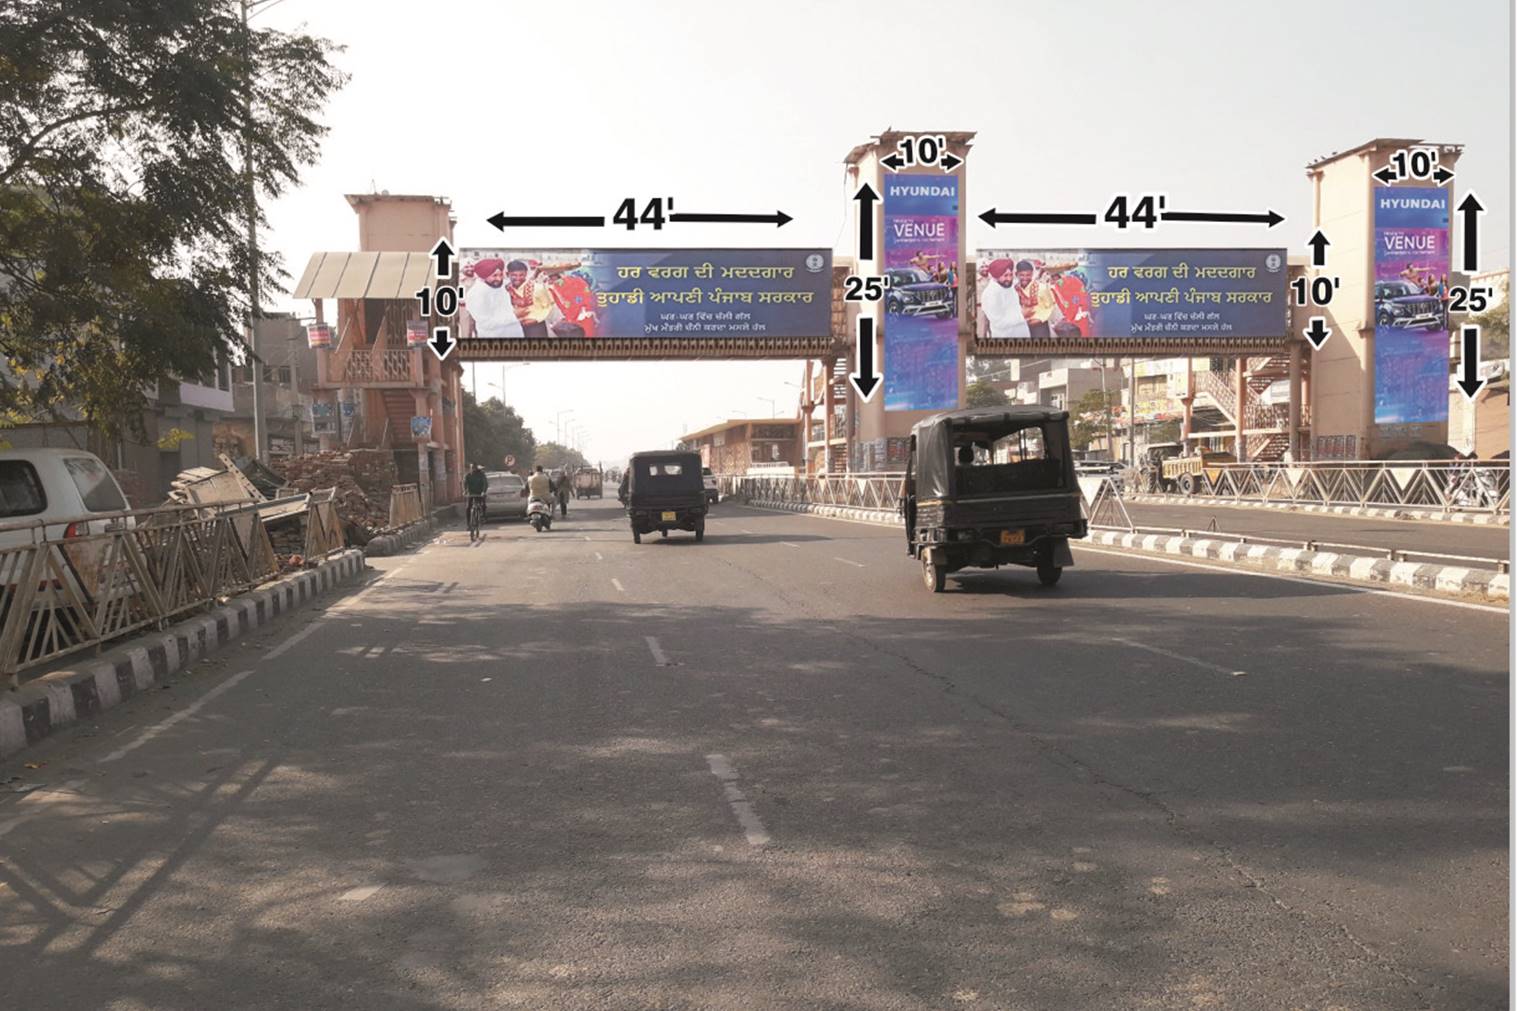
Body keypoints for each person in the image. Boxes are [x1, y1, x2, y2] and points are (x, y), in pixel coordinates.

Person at [462, 259, 525, 340]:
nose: (499, 279)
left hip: (515, 333)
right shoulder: (475, 294)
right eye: (494, 276)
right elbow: (485, 323)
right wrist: (514, 316)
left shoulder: (500, 284)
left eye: (500, 274)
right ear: (483, 277)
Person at [980, 259, 1031, 339]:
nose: (1009, 278)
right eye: (1005, 275)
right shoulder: (990, 294)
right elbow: (999, 322)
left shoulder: (1008, 285)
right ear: (995, 276)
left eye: (1010, 275)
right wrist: (1022, 316)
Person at [507, 260, 556, 339]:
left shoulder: (537, 288)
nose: (518, 278)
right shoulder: (506, 290)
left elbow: (549, 306)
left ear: (526, 274)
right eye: (514, 275)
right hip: (514, 326)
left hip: (535, 328)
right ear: (508, 274)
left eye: (521, 275)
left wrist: (536, 319)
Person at [1015, 259, 1057, 340]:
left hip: (1039, 327)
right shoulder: (1015, 289)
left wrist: (1040, 319)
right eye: (1022, 275)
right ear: (1016, 274)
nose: (1025, 278)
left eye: (1028, 275)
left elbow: (1050, 306)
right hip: (1021, 326)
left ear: (1032, 274)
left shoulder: (1042, 288)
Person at [463, 464, 488, 529]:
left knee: (483, 505)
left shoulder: (481, 475)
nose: (473, 470)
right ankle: (469, 524)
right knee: (468, 507)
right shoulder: (468, 475)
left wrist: (483, 491)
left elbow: (485, 483)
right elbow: (465, 483)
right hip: (471, 493)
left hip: (480, 493)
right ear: (470, 469)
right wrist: (465, 491)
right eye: (472, 468)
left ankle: (483, 517)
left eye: (474, 468)